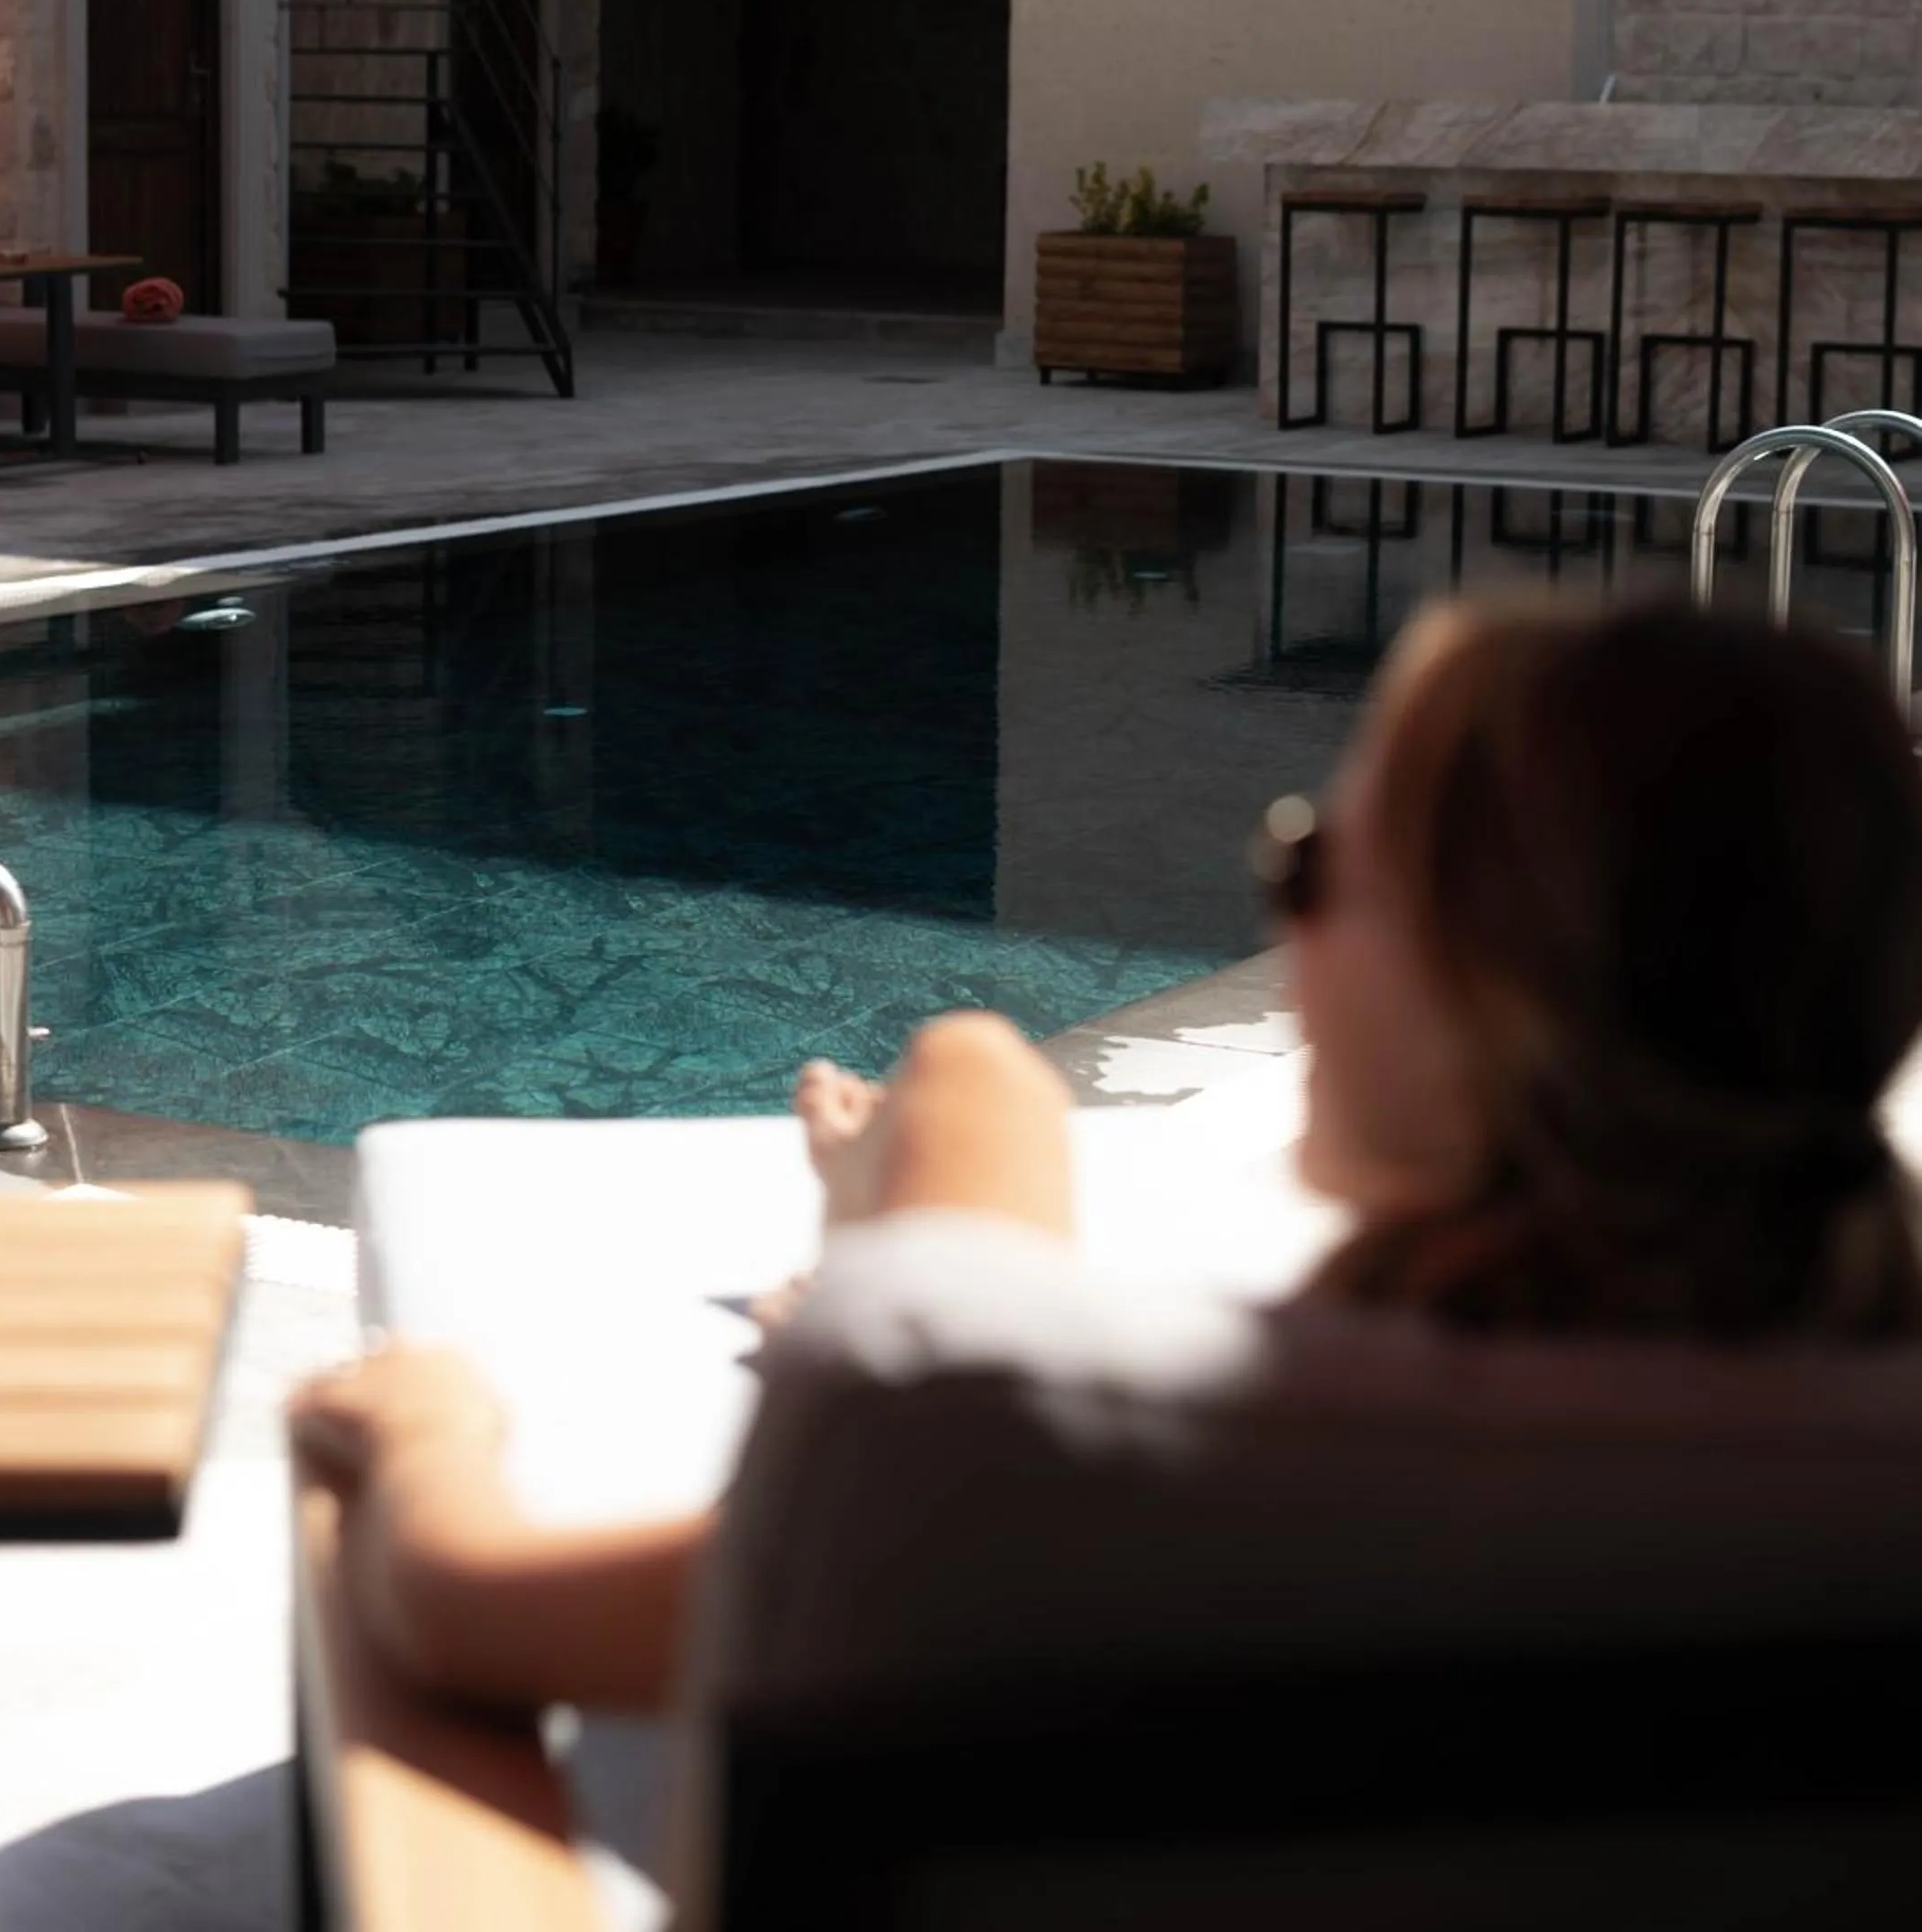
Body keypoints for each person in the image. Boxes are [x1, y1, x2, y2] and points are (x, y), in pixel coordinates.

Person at [292, 599, 1922, 1885]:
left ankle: (876, 1201)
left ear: (1474, 980)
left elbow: (456, 1602)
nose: (1279, 919)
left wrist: (419, 1418)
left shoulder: (976, 1431)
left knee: (970, 1079)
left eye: (1310, 861)